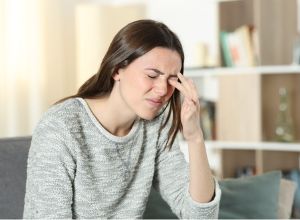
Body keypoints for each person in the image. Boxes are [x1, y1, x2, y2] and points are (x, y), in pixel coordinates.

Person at [23, 19, 221, 219]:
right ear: (117, 69)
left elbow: (201, 216)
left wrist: (195, 136)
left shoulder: (157, 125)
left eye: (172, 80)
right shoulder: (61, 127)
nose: (163, 90)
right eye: (152, 75)